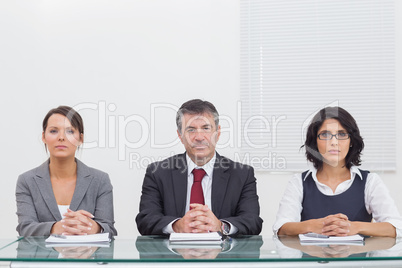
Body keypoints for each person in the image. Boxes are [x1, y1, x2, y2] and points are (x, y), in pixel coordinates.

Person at [136, 99, 263, 235]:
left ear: (218, 133)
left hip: (223, 254)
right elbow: (145, 220)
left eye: (206, 128)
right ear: (180, 135)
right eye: (191, 130)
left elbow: (252, 221)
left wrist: (221, 226)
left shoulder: (242, 174)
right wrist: (176, 226)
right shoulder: (157, 173)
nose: (199, 137)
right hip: (174, 254)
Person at [273, 106, 402, 237]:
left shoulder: (370, 181)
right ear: (315, 141)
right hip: (312, 257)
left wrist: (354, 227)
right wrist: (314, 225)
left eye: (341, 134)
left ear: (351, 141)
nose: (334, 142)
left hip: (358, 257)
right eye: (325, 134)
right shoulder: (299, 182)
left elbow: (396, 227)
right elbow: (281, 228)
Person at [16, 106, 117, 236]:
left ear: (81, 139)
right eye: (53, 131)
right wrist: (58, 227)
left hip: (85, 255)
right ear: (43, 136)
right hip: (43, 256)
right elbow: (25, 228)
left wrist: (94, 227)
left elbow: (110, 230)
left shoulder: (100, 180)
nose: (61, 137)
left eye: (70, 131)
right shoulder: (27, 181)